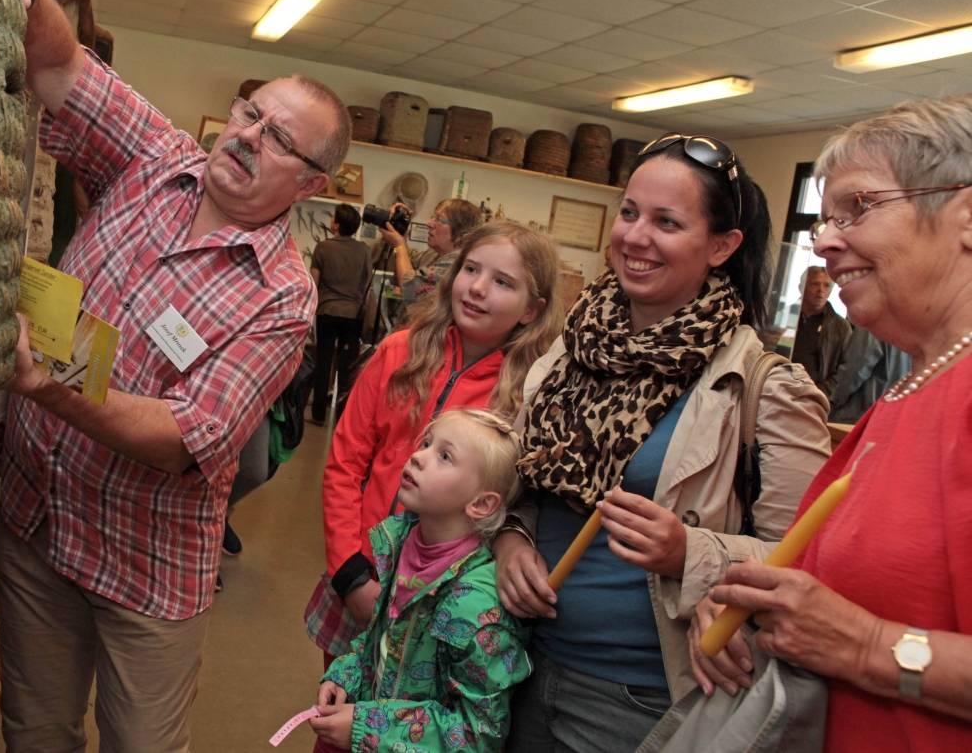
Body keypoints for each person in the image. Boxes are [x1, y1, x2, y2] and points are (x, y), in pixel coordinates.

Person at [0, 0, 351, 752]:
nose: (247, 137)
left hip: (141, 568)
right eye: (250, 113)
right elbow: (63, 69)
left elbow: (192, 438)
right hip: (36, 519)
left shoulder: (283, 298)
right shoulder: (158, 158)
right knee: (36, 731)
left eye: (279, 139)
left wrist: (42, 388)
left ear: (312, 182)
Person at [493, 134, 832, 752]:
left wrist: (688, 551)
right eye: (629, 213)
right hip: (515, 661)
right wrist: (511, 537)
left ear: (723, 246)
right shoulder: (571, 348)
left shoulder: (765, 386)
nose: (635, 237)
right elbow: (520, 481)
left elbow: (809, 564)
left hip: (640, 696)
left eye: (667, 222)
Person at [689, 95, 972, 751]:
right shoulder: (905, 398)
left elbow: (866, 630)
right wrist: (758, 609)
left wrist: (871, 648)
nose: (822, 239)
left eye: (859, 207)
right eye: (823, 216)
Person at [312, 223, 562, 675]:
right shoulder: (398, 352)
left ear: (532, 309)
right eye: (471, 269)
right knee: (339, 710)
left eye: (503, 282)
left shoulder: (530, 393)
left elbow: (513, 503)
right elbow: (345, 464)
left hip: (442, 595)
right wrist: (349, 570)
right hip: (361, 570)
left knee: (408, 726)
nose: (478, 288)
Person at [311, 409, 533, 752]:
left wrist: (368, 731)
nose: (417, 456)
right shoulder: (402, 545)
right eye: (426, 443)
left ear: (482, 503)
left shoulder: (477, 608)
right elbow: (380, 640)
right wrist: (346, 675)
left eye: (444, 456)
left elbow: (477, 732)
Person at [310, 204, 372, 424]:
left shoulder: (323, 247)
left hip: (327, 310)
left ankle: (318, 414)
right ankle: (342, 417)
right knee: (347, 368)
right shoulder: (365, 250)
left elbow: (313, 284)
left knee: (323, 363)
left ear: (336, 224)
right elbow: (367, 283)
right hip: (353, 315)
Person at [826, 326, 911, 423]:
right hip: (888, 417)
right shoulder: (910, 328)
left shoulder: (873, 322)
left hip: (856, 416)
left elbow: (853, 372)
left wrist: (830, 401)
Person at [790, 266, 852, 395]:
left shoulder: (840, 327)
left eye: (827, 286)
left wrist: (819, 393)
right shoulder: (784, 316)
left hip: (814, 398)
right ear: (801, 287)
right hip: (778, 389)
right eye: (815, 284)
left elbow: (846, 370)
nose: (821, 291)